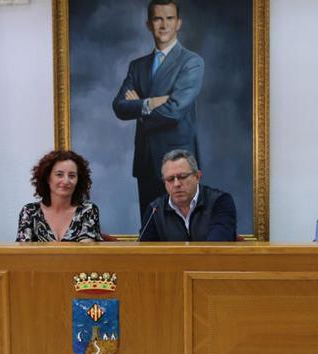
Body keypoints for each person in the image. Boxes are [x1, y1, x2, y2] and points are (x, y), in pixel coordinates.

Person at [112, 0, 205, 219]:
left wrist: (139, 107)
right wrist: (150, 103)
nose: (163, 25)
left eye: (169, 18)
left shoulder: (191, 62)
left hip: (179, 163)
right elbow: (119, 106)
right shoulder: (137, 66)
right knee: (150, 230)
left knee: (182, 230)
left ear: (178, 23)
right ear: (148, 24)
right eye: (157, 19)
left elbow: (174, 111)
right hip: (146, 161)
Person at [139, 149, 236, 241]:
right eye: (170, 179)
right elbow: (143, 252)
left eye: (182, 177)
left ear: (197, 177)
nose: (176, 184)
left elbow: (217, 246)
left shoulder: (220, 201)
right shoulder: (155, 210)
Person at [16, 150, 102, 242]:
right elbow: (23, 253)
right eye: (59, 174)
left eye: (72, 176)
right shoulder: (29, 212)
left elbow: (88, 251)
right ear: (48, 178)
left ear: (78, 180)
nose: (66, 181)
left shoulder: (88, 210)